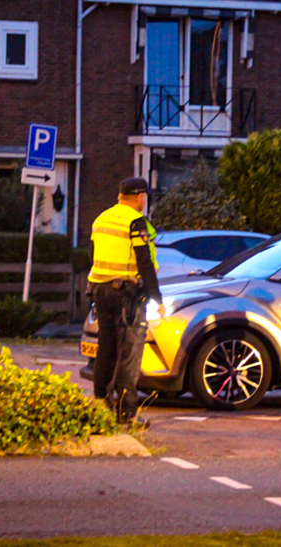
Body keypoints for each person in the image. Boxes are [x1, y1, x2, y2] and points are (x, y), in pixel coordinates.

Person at [87, 177, 162, 426]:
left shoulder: (101, 218)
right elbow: (144, 262)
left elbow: (92, 255)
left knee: (106, 352)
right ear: (140, 197)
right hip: (125, 297)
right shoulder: (135, 222)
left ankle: (100, 409)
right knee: (129, 355)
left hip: (100, 292)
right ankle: (128, 416)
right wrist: (156, 297)